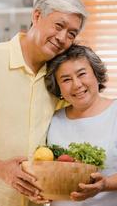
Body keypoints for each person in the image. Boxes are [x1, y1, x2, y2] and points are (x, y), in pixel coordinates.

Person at [0, 0, 87, 206]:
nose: (63, 38)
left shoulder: (59, 78)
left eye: (72, 34)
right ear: (36, 16)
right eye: (59, 25)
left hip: (35, 201)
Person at [45, 44, 117, 206]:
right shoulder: (53, 120)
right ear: (58, 89)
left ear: (96, 75)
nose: (76, 84)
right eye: (66, 79)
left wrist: (104, 185)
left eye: (82, 74)